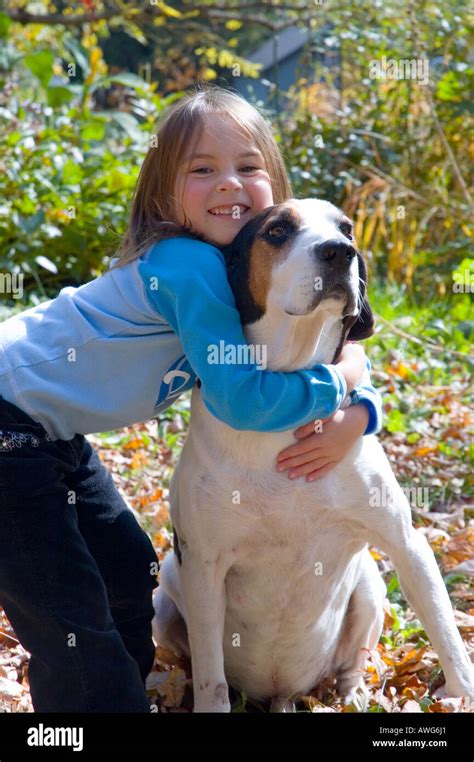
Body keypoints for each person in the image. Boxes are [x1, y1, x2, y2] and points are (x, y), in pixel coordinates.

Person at [0, 84, 381, 713]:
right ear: (162, 195)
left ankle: (122, 697)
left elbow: (323, 347)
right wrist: (339, 388)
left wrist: (361, 408)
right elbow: (243, 400)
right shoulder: (190, 268)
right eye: (202, 170)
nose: (229, 184)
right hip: (11, 432)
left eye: (248, 167)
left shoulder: (247, 269)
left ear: (274, 183)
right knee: (68, 616)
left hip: (51, 436)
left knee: (128, 574)